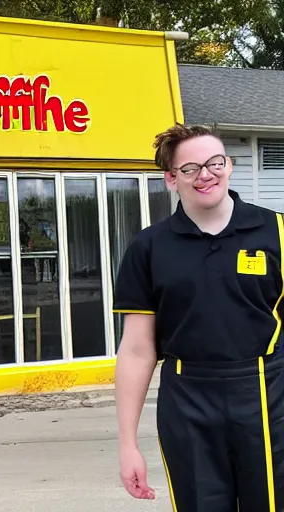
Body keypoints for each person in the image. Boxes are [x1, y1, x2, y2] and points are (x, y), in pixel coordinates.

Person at [113, 123, 284, 512]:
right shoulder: (149, 247)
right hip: (186, 400)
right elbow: (138, 350)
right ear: (171, 179)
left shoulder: (277, 232)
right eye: (190, 168)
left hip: (267, 395)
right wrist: (127, 445)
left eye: (215, 162)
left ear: (229, 165)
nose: (205, 174)